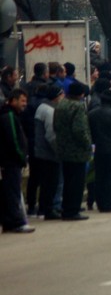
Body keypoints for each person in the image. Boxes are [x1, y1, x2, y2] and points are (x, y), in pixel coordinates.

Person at [54, 82, 91, 221]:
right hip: (77, 151)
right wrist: (87, 144)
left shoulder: (61, 104)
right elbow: (79, 129)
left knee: (67, 181)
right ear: (81, 94)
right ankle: (73, 210)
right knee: (77, 182)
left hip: (63, 148)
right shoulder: (78, 106)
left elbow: (55, 125)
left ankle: (66, 208)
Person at [0, 89, 34, 233]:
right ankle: (16, 221)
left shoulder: (11, 115)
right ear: (13, 100)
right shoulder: (9, 116)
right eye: (22, 101)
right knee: (13, 192)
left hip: (9, 161)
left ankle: (9, 221)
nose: (24, 104)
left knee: (9, 192)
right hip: (11, 162)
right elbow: (14, 140)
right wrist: (21, 157)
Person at [32, 84, 63, 219]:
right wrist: (59, 151)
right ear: (56, 96)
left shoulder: (41, 107)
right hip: (49, 153)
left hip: (40, 151)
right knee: (51, 183)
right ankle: (48, 209)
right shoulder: (50, 111)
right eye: (61, 94)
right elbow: (51, 135)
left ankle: (43, 208)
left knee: (45, 183)